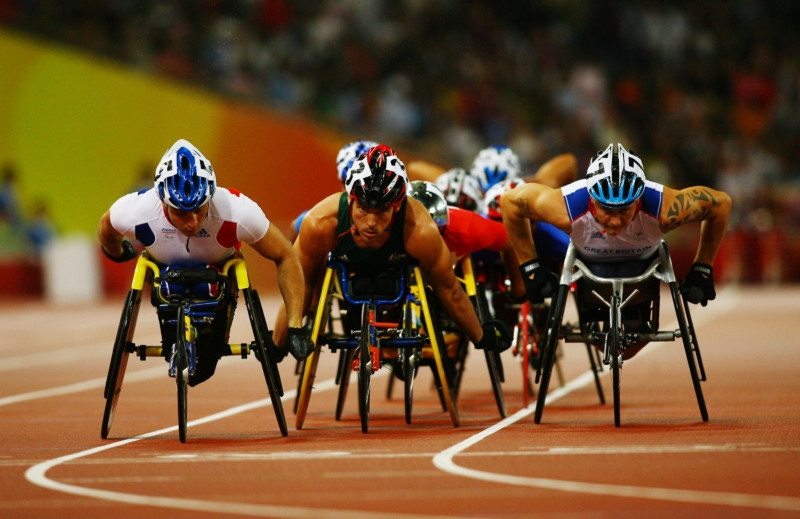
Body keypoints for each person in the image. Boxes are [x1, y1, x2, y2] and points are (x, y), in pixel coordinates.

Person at [97, 138, 312, 386]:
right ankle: (177, 343)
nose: (193, 222)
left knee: (205, 353)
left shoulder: (237, 210)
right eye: (181, 213)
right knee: (169, 289)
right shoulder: (137, 209)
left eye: (200, 209)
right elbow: (106, 227)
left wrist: (295, 325)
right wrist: (117, 251)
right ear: (162, 201)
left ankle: (206, 349)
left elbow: (285, 255)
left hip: (218, 275)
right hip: (165, 275)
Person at [273, 144, 510, 354]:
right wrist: (284, 338)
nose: (371, 223)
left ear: (396, 207)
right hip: (350, 271)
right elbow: (299, 282)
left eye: (381, 212)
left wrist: (481, 336)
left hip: (398, 272)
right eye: (363, 210)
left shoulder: (420, 229)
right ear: (351, 198)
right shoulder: (320, 222)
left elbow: (449, 290)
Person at [500, 143, 732, 307]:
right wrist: (529, 267)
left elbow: (721, 203)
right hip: (589, 266)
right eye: (607, 210)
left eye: (624, 210)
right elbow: (509, 202)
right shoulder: (565, 207)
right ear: (591, 199)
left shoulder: (665, 208)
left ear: (639, 199)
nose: (615, 220)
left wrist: (703, 267)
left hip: (644, 266)